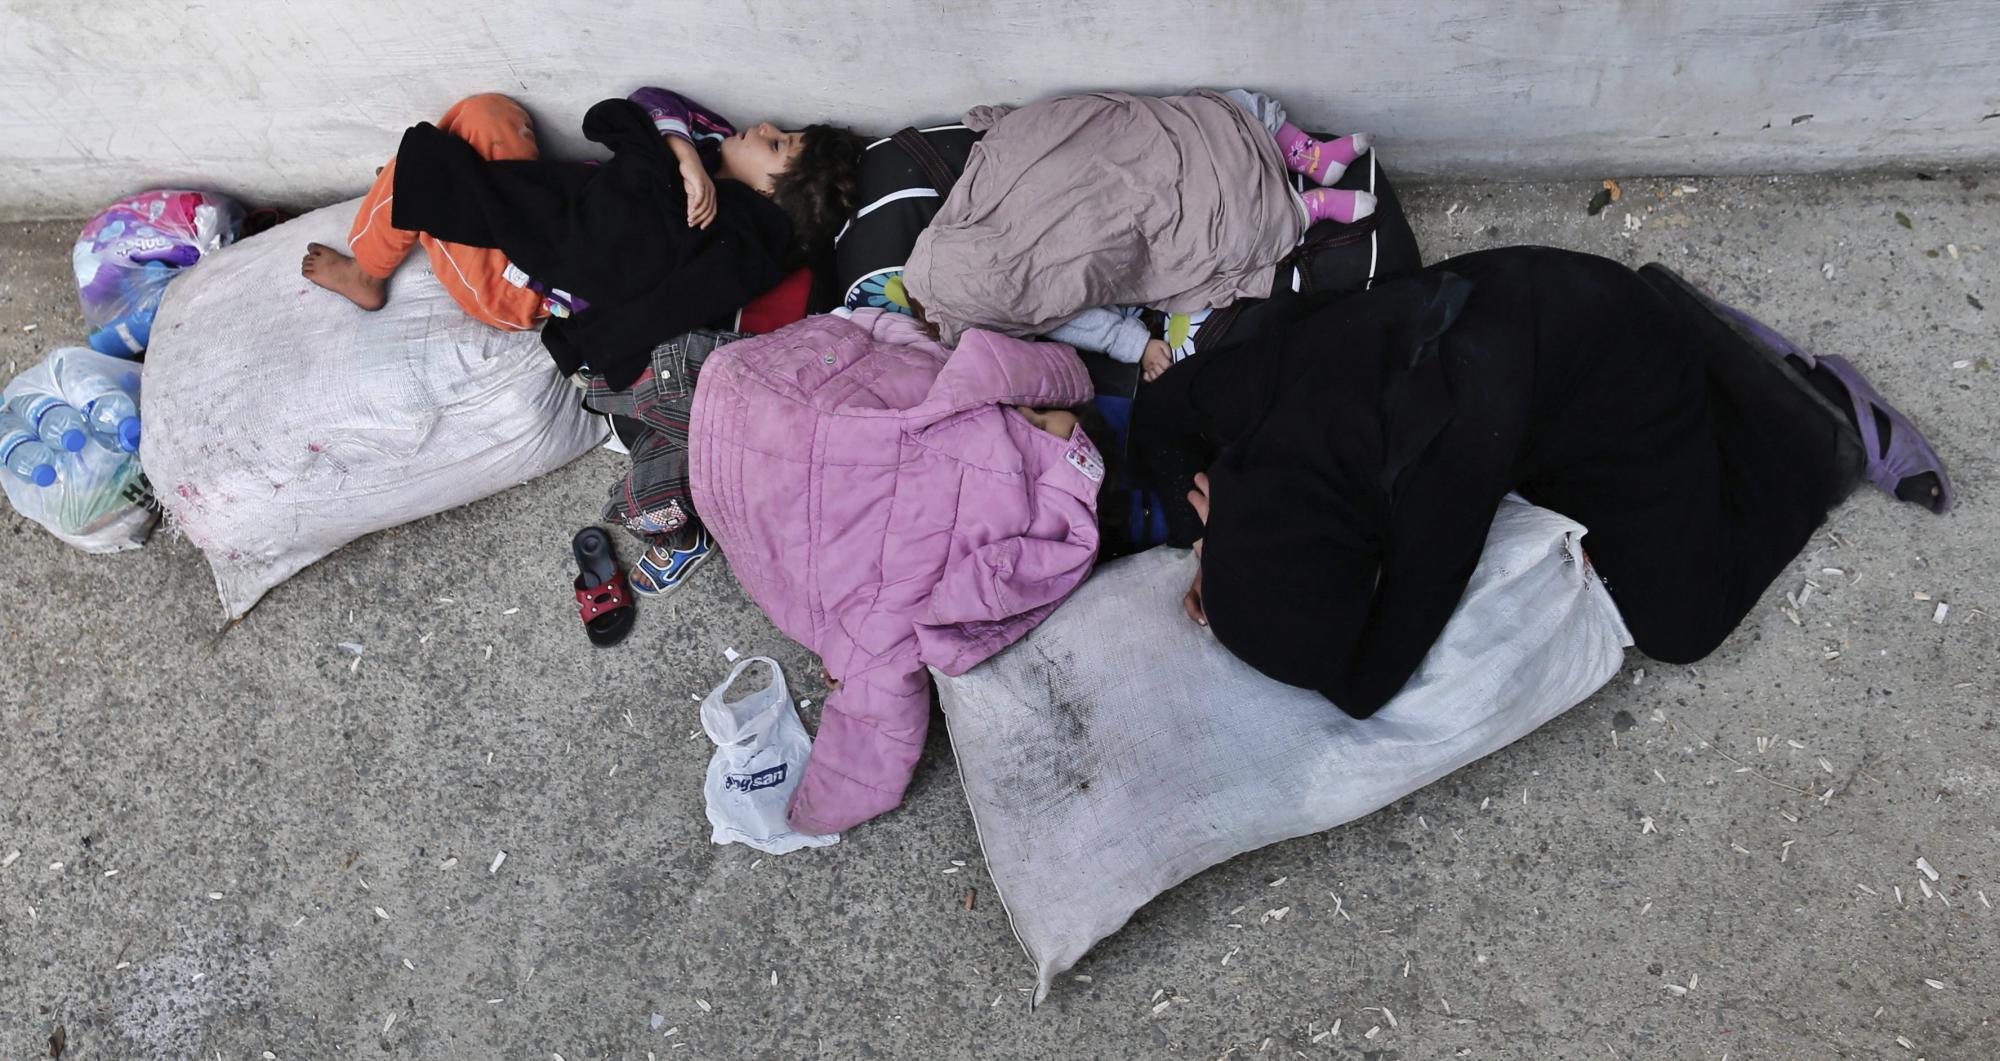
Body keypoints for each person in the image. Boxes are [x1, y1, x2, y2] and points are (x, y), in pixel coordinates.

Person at [1139, 247, 1951, 717]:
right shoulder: (1255, 394)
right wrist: (1219, 535)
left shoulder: (1437, 481)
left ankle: (1813, 419)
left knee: (1681, 626)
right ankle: (1694, 337)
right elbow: (1158, 419)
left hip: (1625, 370)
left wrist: (1225, 572)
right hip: (1540, 313)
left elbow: (1369, 681)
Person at [304, 88, 862, 596]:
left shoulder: (729, 240)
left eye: (777, 144)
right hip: (551, 212)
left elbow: (615, 269)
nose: (763, 124)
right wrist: (685, 150)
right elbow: (644, 102)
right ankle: (411, 207)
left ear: (773, 192)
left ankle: (369, 273)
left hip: (515, 282)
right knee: (486, 113)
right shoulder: (716, 156)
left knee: (416, 171)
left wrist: (667, 164)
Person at [686, 308, 1106, 836]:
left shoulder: (1031, 519)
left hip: (762, 443)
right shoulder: (962, 389)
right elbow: (913, 354)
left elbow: (883, 659)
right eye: (1036, 412)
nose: (1027, 418)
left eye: (1043, 426)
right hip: (783, 420)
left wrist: (826, 805)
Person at [902, 89, 1374, 353]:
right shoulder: (1019, 309)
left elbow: (1004, 159)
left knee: (1198, 119)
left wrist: (1007, 129)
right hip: (1117, 233)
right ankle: (1309, 206)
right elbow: (1077, 309)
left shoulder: (962, 220)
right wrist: (1134, 344)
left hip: (1087, 172)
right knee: (1211, 231)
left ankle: (1309, 158)